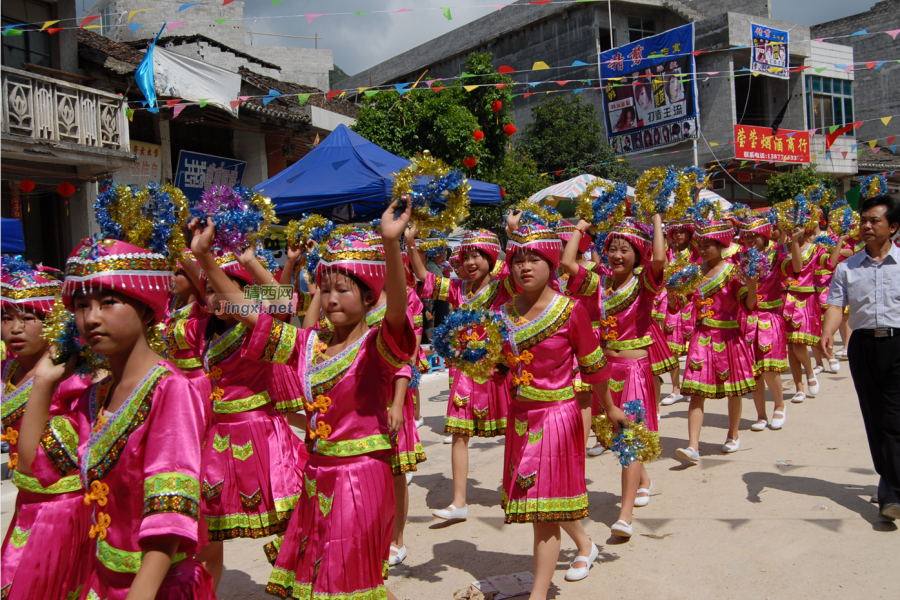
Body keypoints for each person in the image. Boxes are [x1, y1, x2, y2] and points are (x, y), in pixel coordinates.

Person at [229, 205, 415, 600]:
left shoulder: (375, 345)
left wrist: (391, 243)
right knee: (325, 583)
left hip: (359, 476)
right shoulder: (308, 344)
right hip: (316, 475)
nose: (329, 299)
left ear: (368, 297)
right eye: (324, 289)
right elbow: (258, 317)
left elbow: (396, 312)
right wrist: (208, 263)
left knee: (350, 581)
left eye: (340, 290)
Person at [16, 236, 214, 599]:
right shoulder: (95, 396)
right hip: (102, 579)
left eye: (108, 303)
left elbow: (169, 511)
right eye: (80, 305)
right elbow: (32, 465)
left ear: (144, 308)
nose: (90, 318)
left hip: (156, 587)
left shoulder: (170, 390)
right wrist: (43, 381)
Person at [500, 219, 617, 599]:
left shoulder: (570, 310)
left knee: (542, 511)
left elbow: (595, 366)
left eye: (535, 258)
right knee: (545, 498)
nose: (525, 266)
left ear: (552, 264)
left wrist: (611, 409)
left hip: (557, 416)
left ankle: (538, 595)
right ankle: (585, 545)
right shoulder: (503, 314)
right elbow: (501, 366)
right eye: (519, 259)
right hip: (520, 417)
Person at [561, 215, 666, 538]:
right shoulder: (599, 283)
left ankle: (625, 513)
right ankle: (644, 479)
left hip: (635, 369)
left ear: (638, 254)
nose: (618, 255)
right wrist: (581, 226)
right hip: (606, 372)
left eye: (625, 249)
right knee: (615, 436)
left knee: (630, 438)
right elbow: (567, 262)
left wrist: (657, 220)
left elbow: (660, 258)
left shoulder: (645, 280)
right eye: (613, 249)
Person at [0, 258, 93, 600]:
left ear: (52, 322)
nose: (15, 329)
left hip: (65, 508)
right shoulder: (5, 370)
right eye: (7, 318)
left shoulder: (76, 377)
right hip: (26, 501)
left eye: (28, 318)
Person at [820, 194, 900, 522]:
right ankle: (890, 479)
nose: (866, 226)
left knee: (895, 420)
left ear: (893, 227)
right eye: (864, 220)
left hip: (898, 345)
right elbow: (837, 306)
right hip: (863, 346)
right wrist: (827, 331)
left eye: (874, 221)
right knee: (874, 417)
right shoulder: (846, 267)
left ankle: (891, 491)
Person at [676, 220, 758, 462]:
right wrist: (673, 293)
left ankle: (732, 434)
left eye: (708, 245)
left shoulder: (734, 271)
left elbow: (750, 305)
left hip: (729, 336)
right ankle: (693, 445)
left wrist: (752, 285)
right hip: (701, 337)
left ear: (722, 245)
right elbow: (678, 305)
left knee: (734, 391)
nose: (702, 250)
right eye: (700, 245)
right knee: (696, 391)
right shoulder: (693, 272)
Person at [739, 217, 788, 431]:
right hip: (747, 319)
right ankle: (760, 414)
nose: (750, 240)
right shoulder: (737, 258)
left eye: (755, 235)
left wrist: (792, 241)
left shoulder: (778, 255)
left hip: (769, 317)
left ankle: (779, 405)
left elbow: (796, 267)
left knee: (769, 369)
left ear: (765, 236)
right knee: (753, 371)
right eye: (746, 235)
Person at [660, 219, 701, 406]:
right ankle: (675, 388)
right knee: (672, 347)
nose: (678, 235)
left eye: (682, 231)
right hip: (673, 302)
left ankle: (691, 385)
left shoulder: (696, 251)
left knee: (694, 346)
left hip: (692, 302)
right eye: (675, 231)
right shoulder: (668, 252)